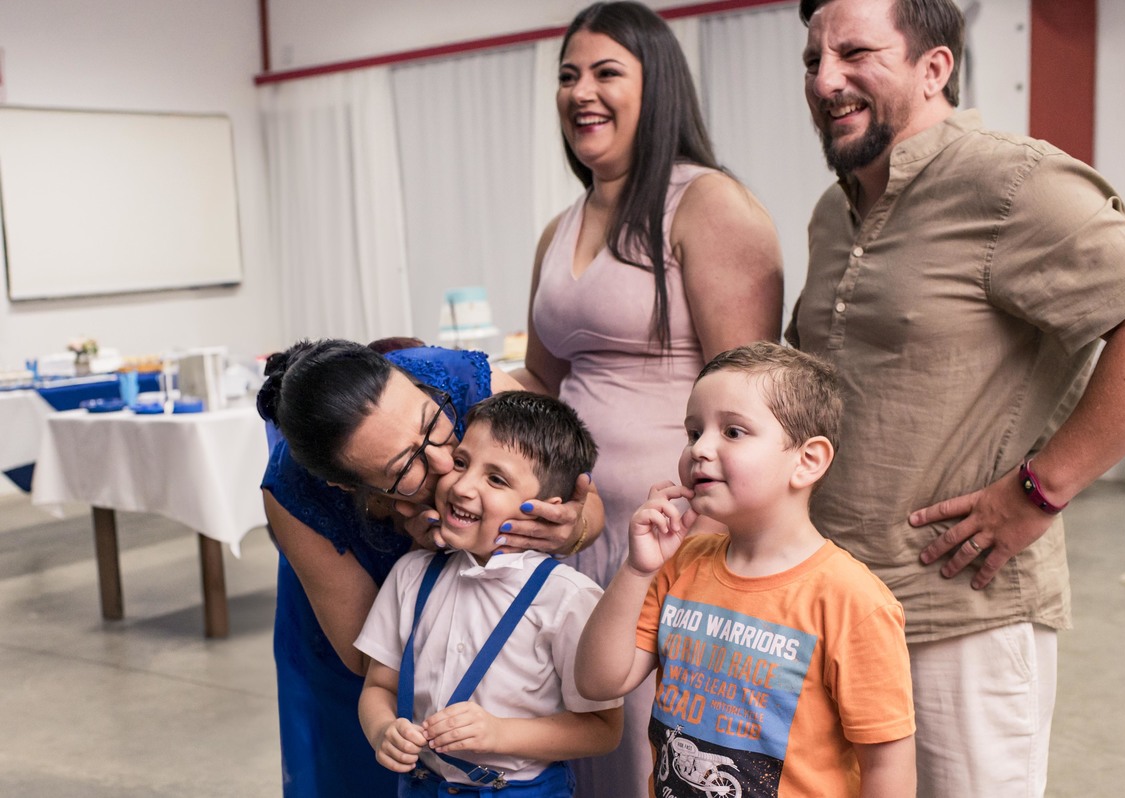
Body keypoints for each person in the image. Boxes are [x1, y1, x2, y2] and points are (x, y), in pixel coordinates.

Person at [787, 0, 1125, 794]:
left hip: (961, 616)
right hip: (836, 603)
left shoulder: (1011, 181)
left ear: (934, 67)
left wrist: (1041, 490)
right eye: (813, 60)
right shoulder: (832, 213)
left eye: (855, 53)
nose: (826, 80)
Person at [512, 3, 785, 792]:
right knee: (590, 743)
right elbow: (542, 383)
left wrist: (715, 557)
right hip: (577, 532)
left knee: (662, 759)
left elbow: (751, 401)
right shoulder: (559, 228)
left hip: (676, 538)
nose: (580, 92)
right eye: (567, 76)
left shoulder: (708, 204)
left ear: (656, 86)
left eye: (606, 73)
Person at [257, 339, 603, 797]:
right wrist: (428, 564)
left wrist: (567, 529)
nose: (444, 463)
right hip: (375, 666)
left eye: (432, 422)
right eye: (407, 467)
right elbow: (370, 664)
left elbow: (582, 497)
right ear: (346, 484)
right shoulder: (296, 491)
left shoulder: (462, 381)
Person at [577, 342, 916, 797]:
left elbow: (888, 767)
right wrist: (637, 571)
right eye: (693, 432)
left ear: (807, 460)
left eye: (733, 431)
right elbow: (598, 682)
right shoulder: (680, 565)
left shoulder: (853, 601)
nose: (700, 449)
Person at [356, 391, 623, 796]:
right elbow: (379, 686)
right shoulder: (411, 574)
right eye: (461, 462)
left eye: (496, 479)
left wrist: (500, 733)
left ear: (544, 508)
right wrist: (382, 729)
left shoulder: (568, 598)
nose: (463, 486)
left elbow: (603, 730)